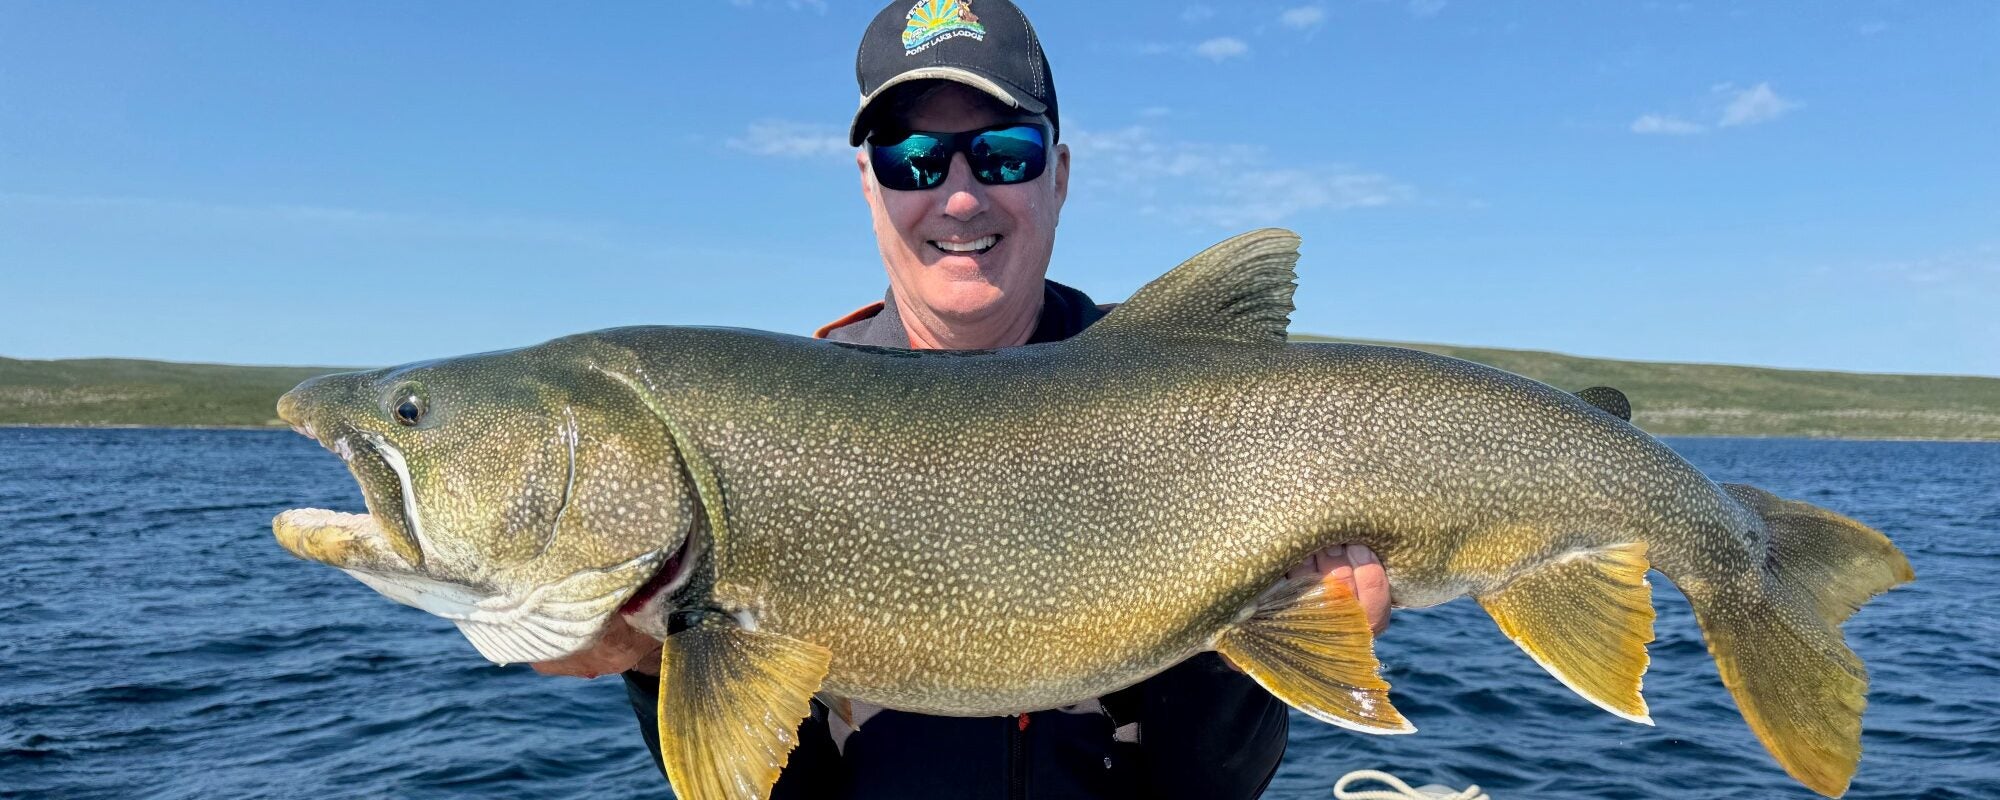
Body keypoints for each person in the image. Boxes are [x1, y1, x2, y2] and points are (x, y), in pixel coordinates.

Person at [533, 2, 1393, 797]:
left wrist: (1254, 645)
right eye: (911, 159)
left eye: (1003, 153)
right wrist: (655, 666)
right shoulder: (776, 423)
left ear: (1057, 175)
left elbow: (1210, 788)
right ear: (869, 187)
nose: (957, 193)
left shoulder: (1184, 389)